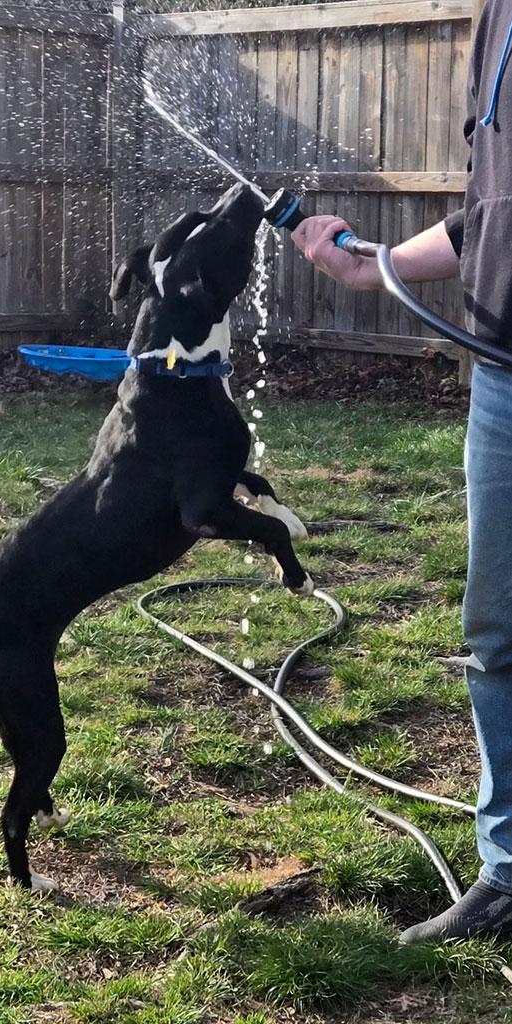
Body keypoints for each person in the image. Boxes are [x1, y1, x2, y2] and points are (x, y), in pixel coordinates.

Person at [292, 1, 512, 944]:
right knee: (497, 635)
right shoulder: (493, 18)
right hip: (501, 376)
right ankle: (508, 876)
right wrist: (372, 264)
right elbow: (488, 211)